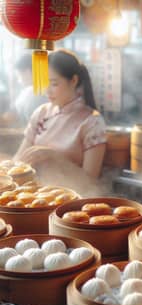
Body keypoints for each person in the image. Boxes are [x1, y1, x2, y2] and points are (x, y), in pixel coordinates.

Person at [14, 49, 107, 195]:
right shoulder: (41, 113)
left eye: (54, 84)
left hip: (71, 203)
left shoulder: (92, 121)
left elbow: (90, 182)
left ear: (74, 80)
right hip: (35, 197)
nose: (47, 91)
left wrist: (55, 157)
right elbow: (19, 160)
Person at [10, 53, 48, 126]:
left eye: (19, 76)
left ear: (27, 72)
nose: (18, 80)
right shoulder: (28, 91)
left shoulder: (37, 94)